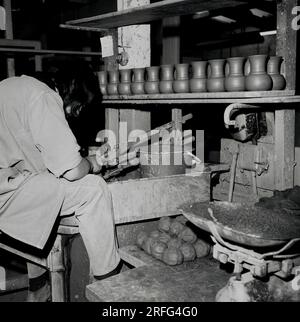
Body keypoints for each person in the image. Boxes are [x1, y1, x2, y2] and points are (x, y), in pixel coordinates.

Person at [0, 70, 121, 302]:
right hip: (7, 198)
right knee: (93, 189)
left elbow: (31, 158)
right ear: (73, 97)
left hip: (7, 184)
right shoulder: (43, 96)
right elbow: (73, 170)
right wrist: (93, 163)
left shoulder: (11, 86)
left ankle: (38, 287)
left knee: (41, 190)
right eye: (77, 109)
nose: (74, 114)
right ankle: (110, 286)